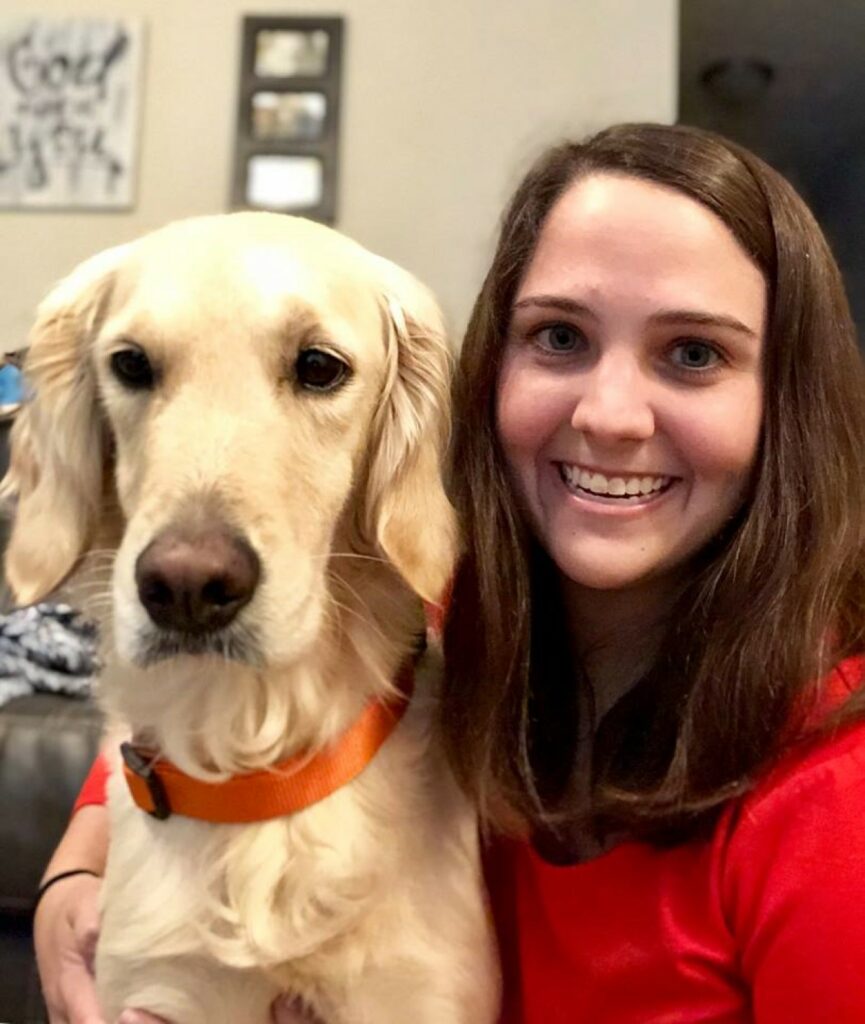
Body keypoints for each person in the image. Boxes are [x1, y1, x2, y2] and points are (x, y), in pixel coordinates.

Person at [30, 123, 865, 1023]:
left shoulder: (832, 803)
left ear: (784, 403)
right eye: (558, 336)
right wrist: (79, 861)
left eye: (694, 353)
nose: (611, 414)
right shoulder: (444, 620)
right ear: (487, 374)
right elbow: (206, 720)